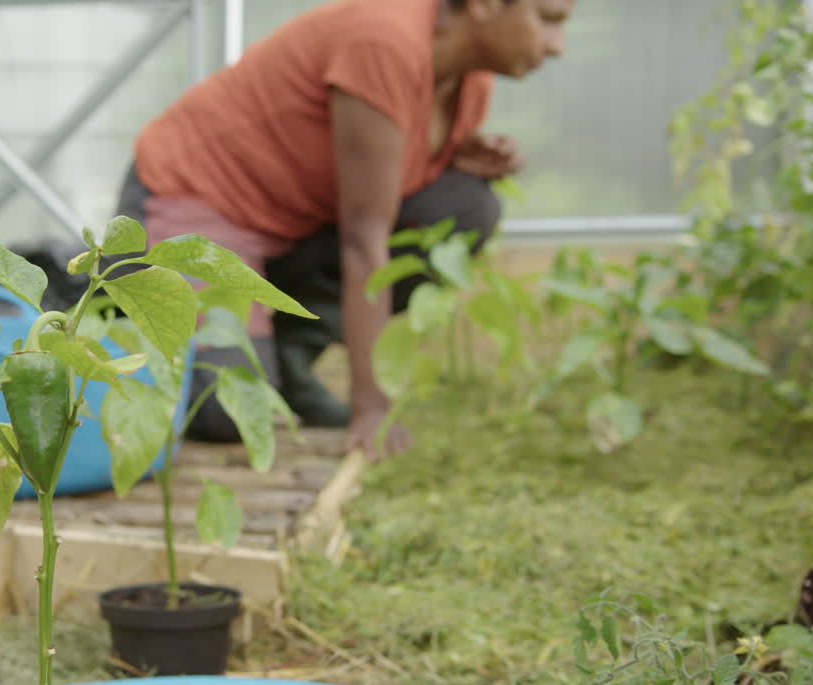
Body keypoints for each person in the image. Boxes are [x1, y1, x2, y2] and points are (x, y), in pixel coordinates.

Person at [46, 0, 573, 458]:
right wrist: (371, 407)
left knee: (465, 208)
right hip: (198, 198)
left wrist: (448, 154)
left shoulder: (467, 79)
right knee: (224, 412)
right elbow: (364, 240)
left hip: (289, 225)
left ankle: (288, 355)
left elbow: (372, 177)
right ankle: (83, 288)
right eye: (547, 19)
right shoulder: (383, 41)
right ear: (482, 4)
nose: (558, 46)